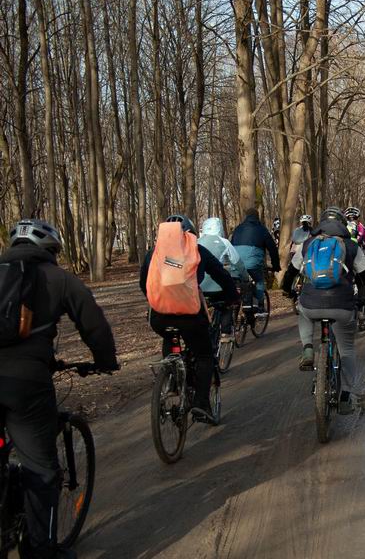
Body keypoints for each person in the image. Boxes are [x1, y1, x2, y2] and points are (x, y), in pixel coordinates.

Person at [0, 219, 118, 559]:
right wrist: (105, 360)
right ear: (50, 251)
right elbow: (93, 323)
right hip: (25, 385)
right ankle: (41, 552)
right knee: (41, 469)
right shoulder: (60, 279)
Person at [281, 207, 365, 414]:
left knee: (303, 310)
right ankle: (345, 397)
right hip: (342, 307)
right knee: (347, 350)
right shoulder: (351, 246)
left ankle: (308, 348)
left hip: (312, 304)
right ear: (343, 224)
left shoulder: (309, 243)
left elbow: (291, 271)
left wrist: (287, 290)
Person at [140, 215, 239, 421]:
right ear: (190, 234)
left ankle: (171, 380)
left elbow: (144, 283)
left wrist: (159, 301)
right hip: (190, 316)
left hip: (158, 317)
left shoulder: (153, 254)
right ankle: (201, 403)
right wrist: (232, 298)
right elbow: (222, 275)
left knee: (171, 337)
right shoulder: (198, 251)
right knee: (204, 355)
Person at [198, 217, 248, 342]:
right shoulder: (224, 242)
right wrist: (245, 277)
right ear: (219, 228)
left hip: (198, 286)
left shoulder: (196, 242)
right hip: (218, 285)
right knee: (227, 301)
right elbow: (237, 262)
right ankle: (226, 333)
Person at [231, 208, 281, 312]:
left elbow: (231, 245)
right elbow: (272, 248)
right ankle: (260, 306)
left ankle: (234, 307)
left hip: (237, 262)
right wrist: (276, 265)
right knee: (259, 280)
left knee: (238, 282)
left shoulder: (238, 229)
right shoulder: (261, 229)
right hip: (253, 263)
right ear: (257, 217)